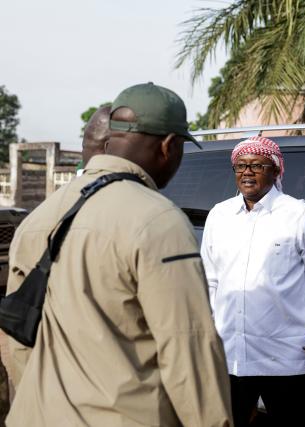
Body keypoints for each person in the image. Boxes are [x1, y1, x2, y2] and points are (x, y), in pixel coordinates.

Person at [6, 82, 232, 426]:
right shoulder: (159, 220)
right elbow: (188, 349)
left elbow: (17, 336)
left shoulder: (39, 217)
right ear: (169, 147)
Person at [201, 135, 305, 427]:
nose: (247, 172)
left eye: (257, 165)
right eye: (240, 166)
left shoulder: (298, 214)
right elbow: (209, 279)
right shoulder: (219, 215)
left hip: (285, 356)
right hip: (230, 355)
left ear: (276, 170)